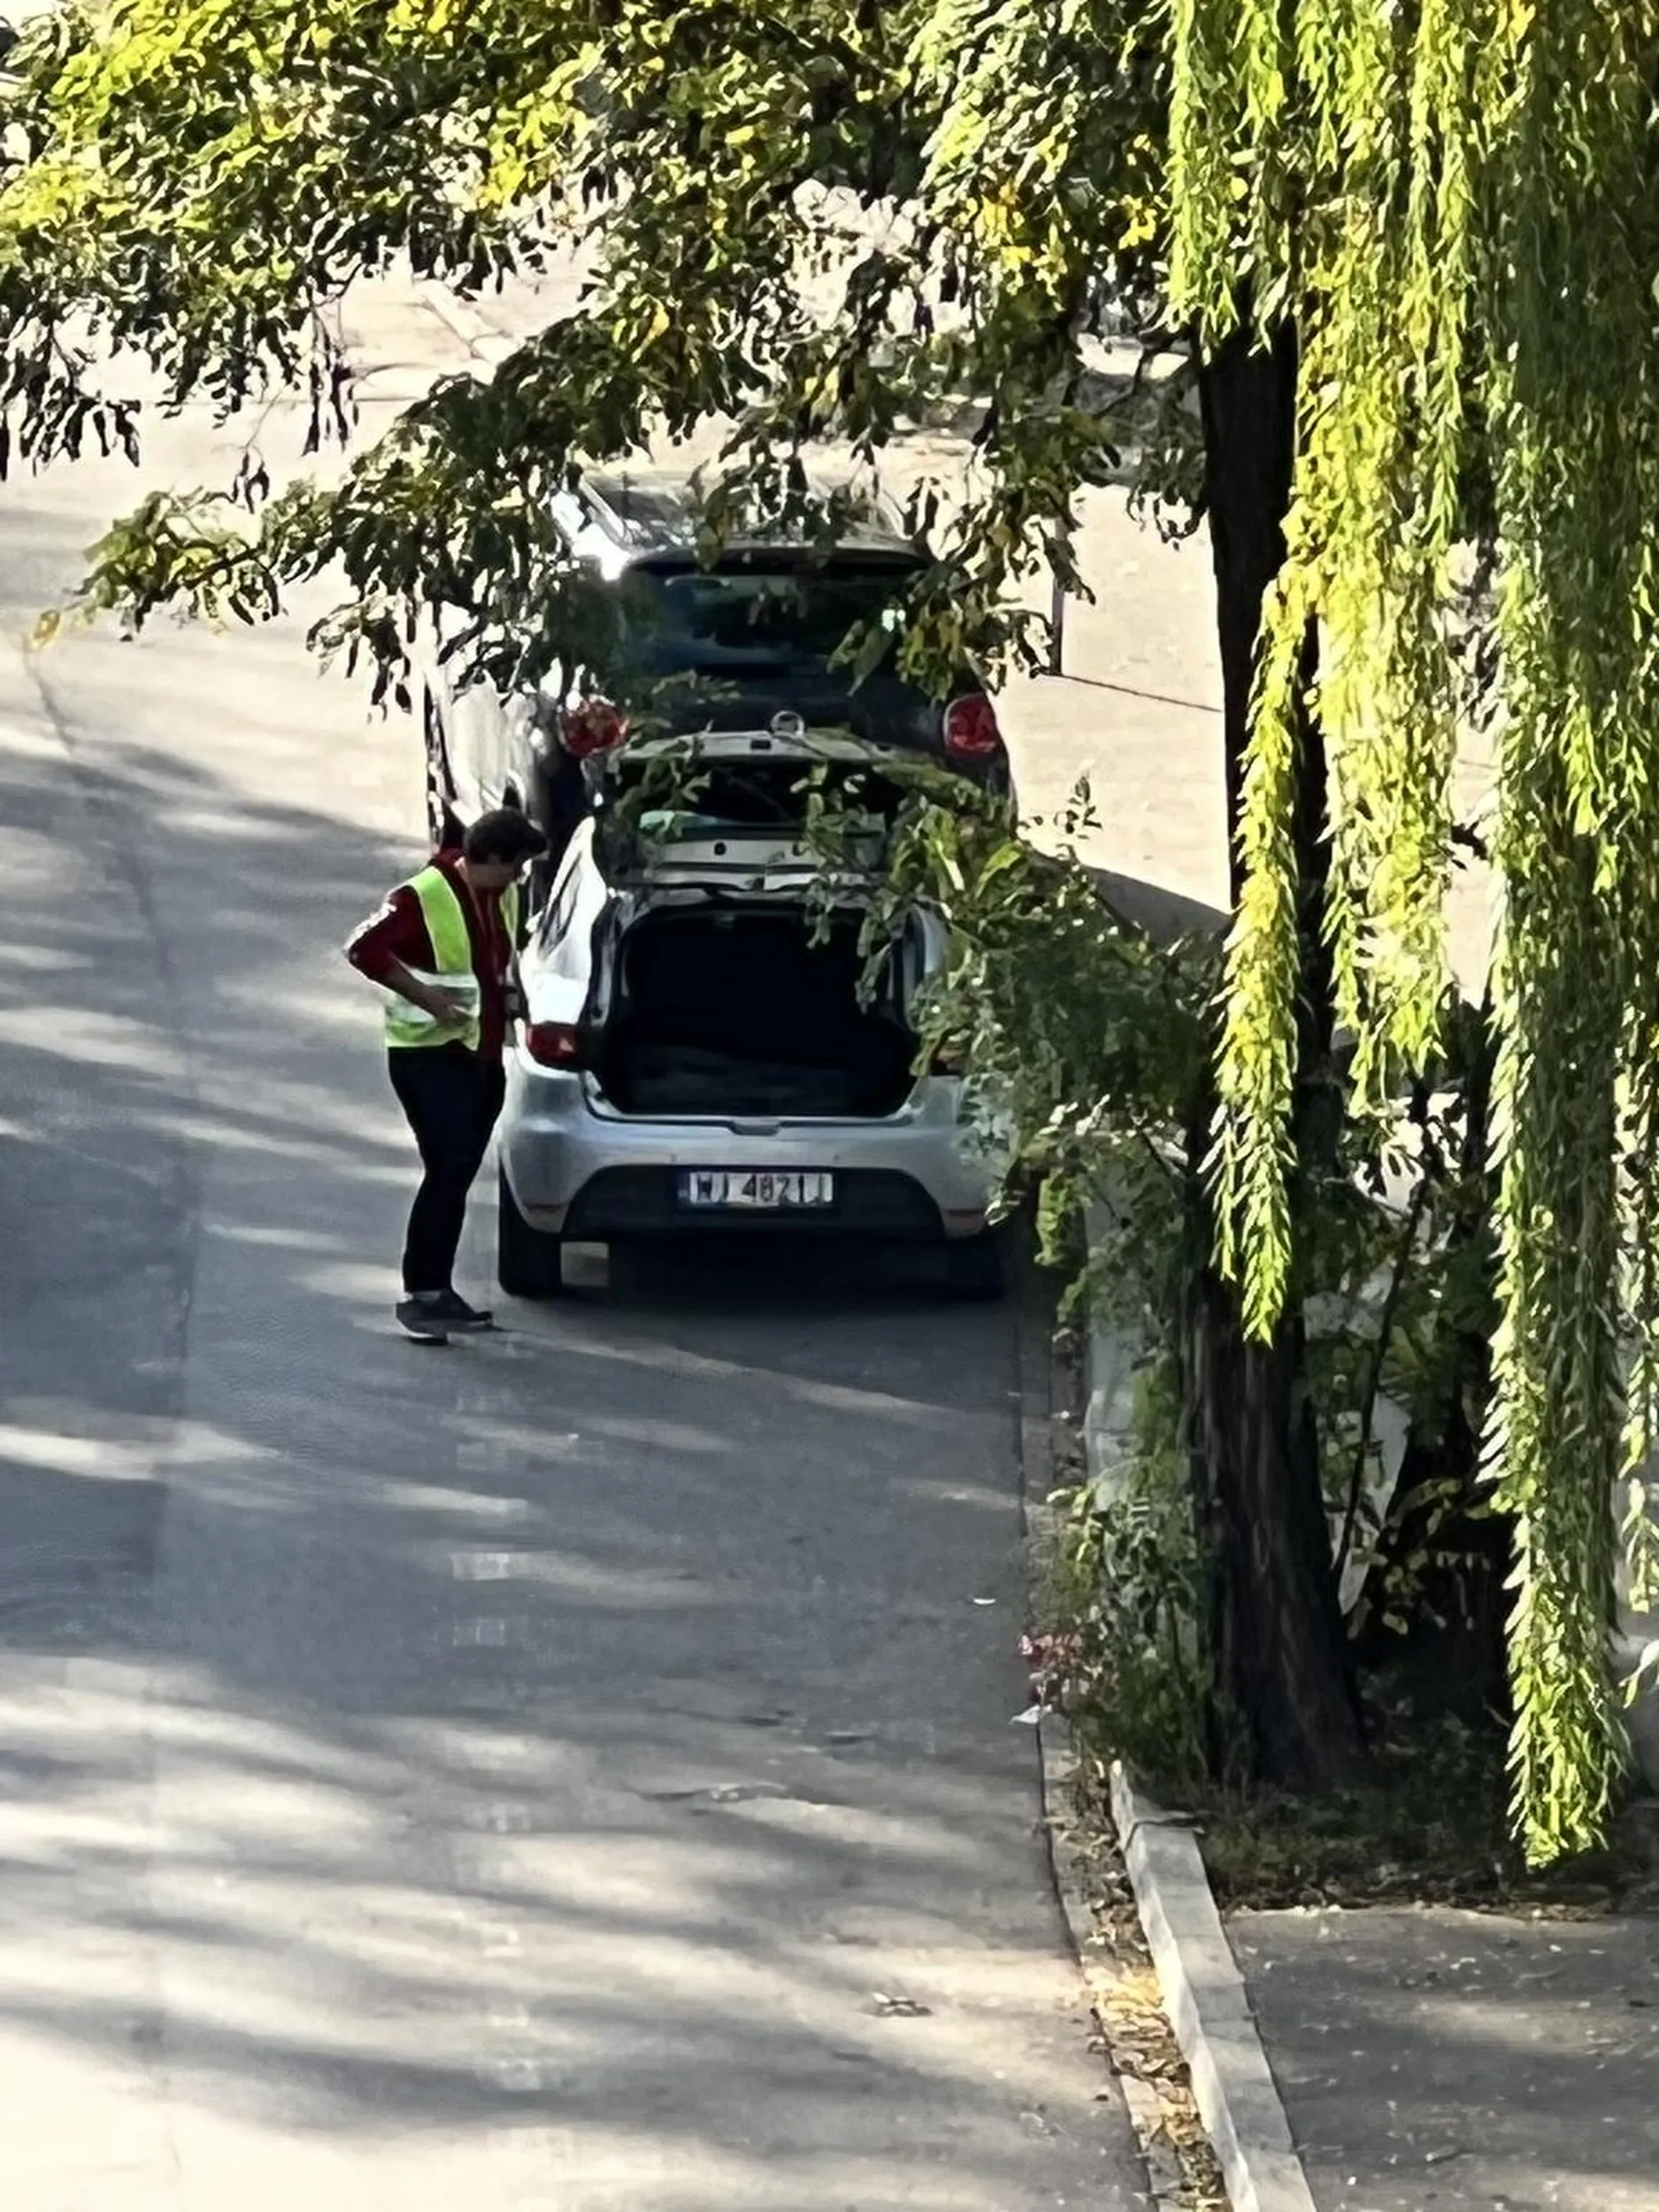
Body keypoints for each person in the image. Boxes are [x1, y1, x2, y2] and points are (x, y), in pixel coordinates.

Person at [345, 808, 549, 1341]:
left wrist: (508, 996)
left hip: (479, 1056)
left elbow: (491, 963)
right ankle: (423, 1293)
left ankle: (438, 1289)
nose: (520, 878)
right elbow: (362, 949)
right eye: (518, 866)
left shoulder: (500, 895)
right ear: (494, 859)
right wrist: (430, 999)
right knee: (447, 1166)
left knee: (456, 1173)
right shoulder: (422, 895)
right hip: (427, 1056)